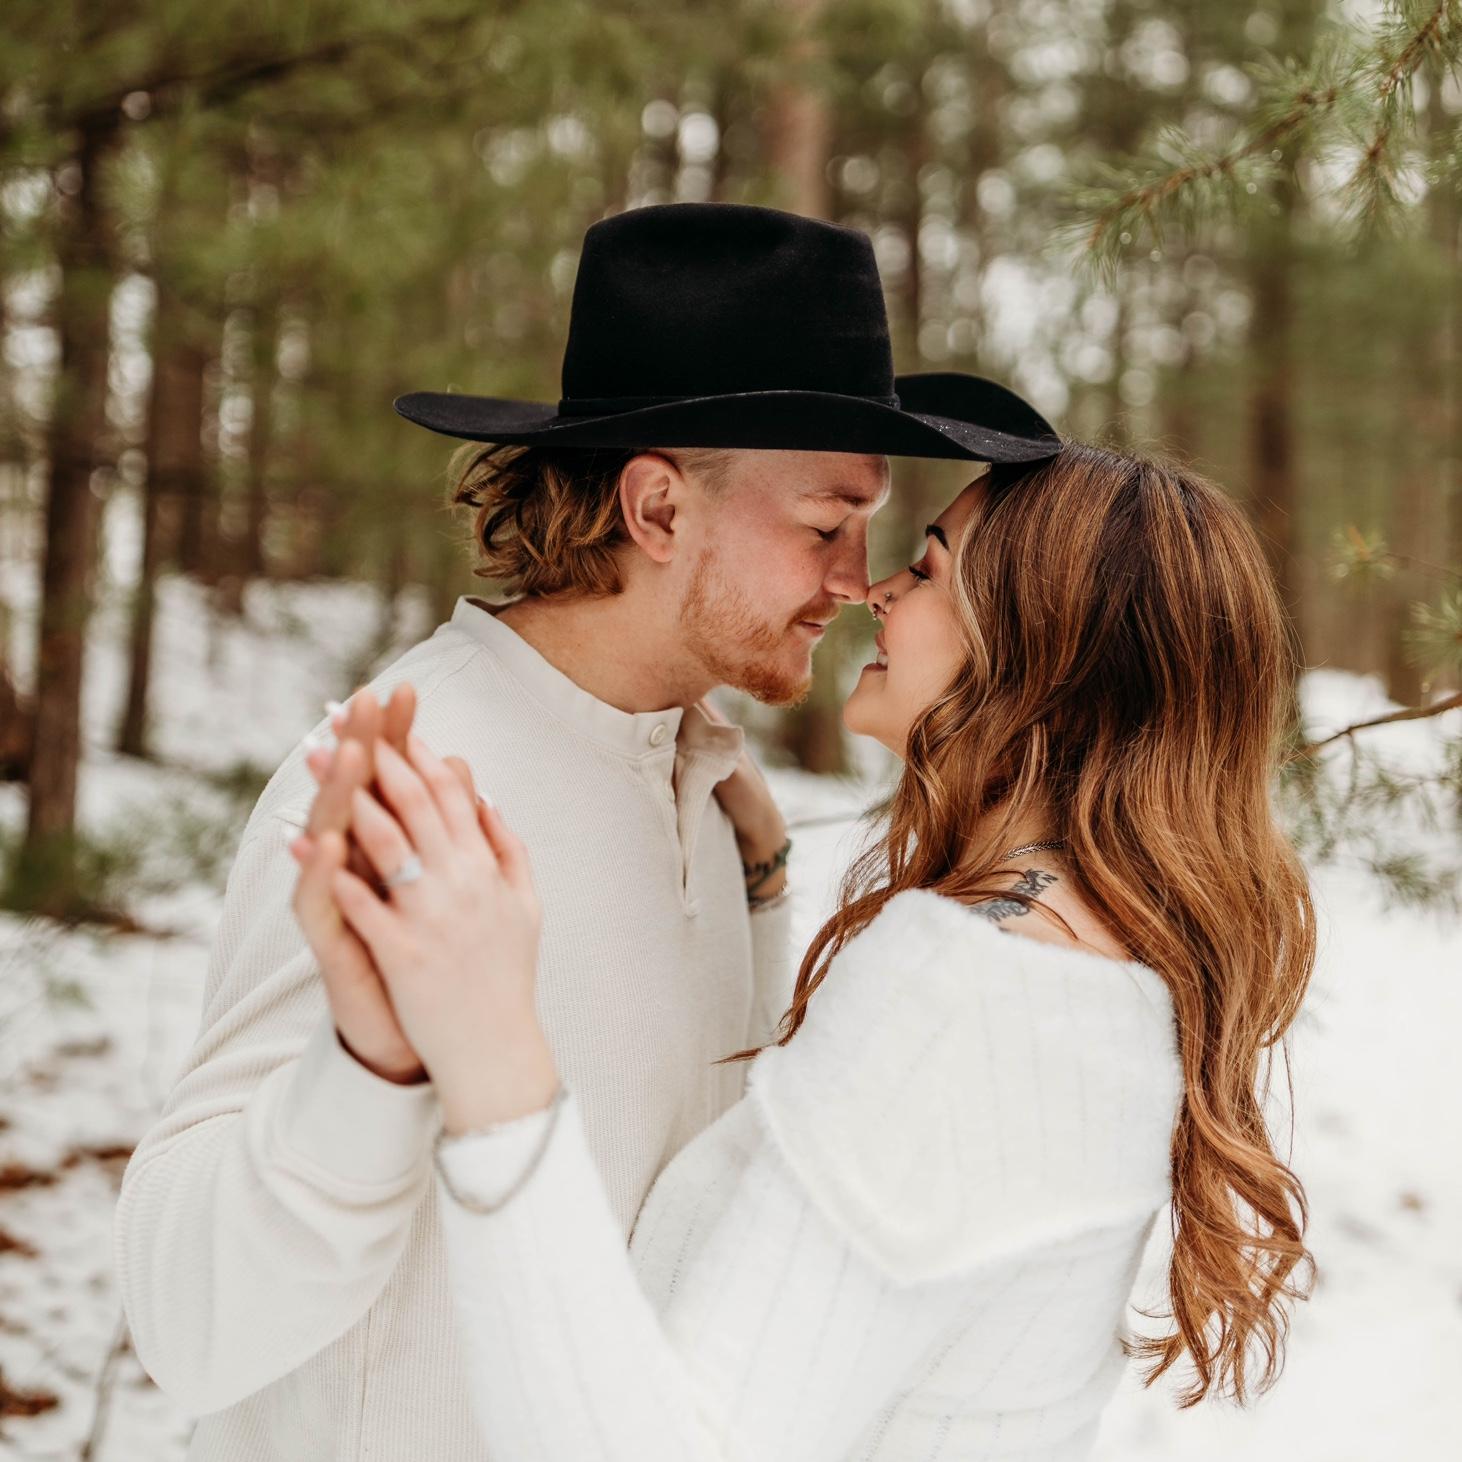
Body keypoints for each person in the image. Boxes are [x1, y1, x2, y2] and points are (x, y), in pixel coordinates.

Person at [111, 200, 1063, 1460]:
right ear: (657, 509)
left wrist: (760, 901)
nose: (855, 579)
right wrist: (371, 1062)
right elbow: (185, 1325)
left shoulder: (708, 794)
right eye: (825, 524)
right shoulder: (409, 784)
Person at [293, 439, 1320, 1460]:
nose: (876, 589)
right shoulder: (1088, 960)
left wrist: (490, 1053)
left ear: (1045, 655)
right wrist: (763, 894)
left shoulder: (963, 991)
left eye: (928, 570)